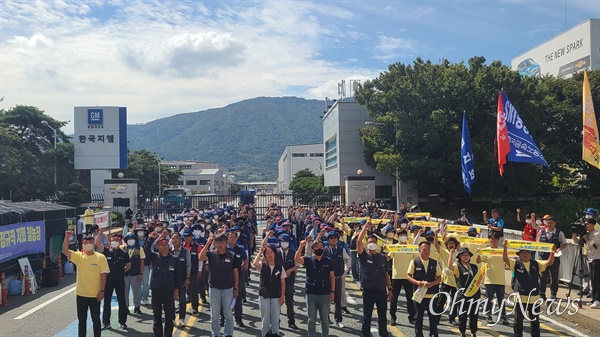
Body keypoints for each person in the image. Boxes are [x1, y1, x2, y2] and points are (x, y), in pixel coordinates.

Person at [503, 240, 555, 337]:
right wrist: (505, 248)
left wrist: (552, 252)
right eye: (523, 253)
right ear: (519, 255)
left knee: (534, 320)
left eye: (527, 252)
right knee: (518, 320)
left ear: (530, 254)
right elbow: (505, 259)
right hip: (520, 296)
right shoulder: (516, 263)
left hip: (534, 297)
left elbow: (549, 262)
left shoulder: (536, 263)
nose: (525, 254)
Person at [62, 230, 110, 337]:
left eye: (90, 242)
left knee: (96, 320)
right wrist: (66, 238)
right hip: (81, 295)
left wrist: (102, 291)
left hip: (95, 295)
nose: (88, 244)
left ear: (93, 244)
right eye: (85, 242)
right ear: (82, 244)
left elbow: (103, 275)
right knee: (82, 321)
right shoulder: (79, 256)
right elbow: (65, 250)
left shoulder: (100, 257)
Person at [200, 230, 240, 337]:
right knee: (214, 314)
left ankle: (228, 333)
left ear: (226, 243)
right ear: (215, 244)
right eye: (218, 242)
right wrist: (208, 243)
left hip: (228, 289)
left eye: (222, 242)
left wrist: (236, 288)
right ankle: (215, 333)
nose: (220, 245)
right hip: (214, 288)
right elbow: (201, 257)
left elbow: (236, 273)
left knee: (228, 314)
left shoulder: (232, 255)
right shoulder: (211, 254)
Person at [357, 221, 391, 337]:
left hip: (381, 290)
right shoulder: (364, 255)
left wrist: (389, 288)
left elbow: (386, 274)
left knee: (382, 315)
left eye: (374, 242)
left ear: (377, 244)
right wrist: (365, 228)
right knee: (368, 315)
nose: (372, 244)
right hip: (368, 290)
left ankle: (383, 333)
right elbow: (358, 241)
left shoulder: (382, 257)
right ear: (367, 244)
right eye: (370, 242)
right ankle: (366, 334)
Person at [295, 238, 335, 337]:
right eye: (317, 248)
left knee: (325, 320)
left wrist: (332, 291)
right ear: (313, 249)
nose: (320, 249)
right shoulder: (308, 259)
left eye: (321, 247)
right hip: (311, 293)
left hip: (324, 293)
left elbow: (332, 277)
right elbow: (297, 259)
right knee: (311, 319)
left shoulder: (328, 261)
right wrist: (301, 247)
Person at [145, 230, 180, 337]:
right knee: (157, 317)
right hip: (156, 291)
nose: (164, 247)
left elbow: (177, 276)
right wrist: (151, 238)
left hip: (169, 291)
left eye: (166, 245)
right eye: (162, 245)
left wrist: (177, 289)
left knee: (169, 318)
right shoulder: (154, 257)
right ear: (158, 247)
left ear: (169, 247)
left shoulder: (174, 259)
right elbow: (146, 250)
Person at [95, 230, 131, 330]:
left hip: (119, 280)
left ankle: (122, 322)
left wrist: (122, 272)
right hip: (108, 280)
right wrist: (100, 232)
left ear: (120, 242)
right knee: (107, 302)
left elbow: (128, 265)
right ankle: (106, 322)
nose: (115, 241)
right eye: (113, 240)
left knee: (122, 301)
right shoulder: (106, 251)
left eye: (117, 240)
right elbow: (97, 244)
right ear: (110, 241)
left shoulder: (124, 253)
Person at [406, 241, 442, 337]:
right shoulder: (414, 262)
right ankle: (419, 335)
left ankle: (433, 334)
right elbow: (408, 276)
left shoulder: (434, 262)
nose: (426, 251)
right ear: (419, 250)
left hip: (432, 295)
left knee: (433, 317)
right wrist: (417, 283)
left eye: (428, 249)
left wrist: (433, 284)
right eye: (424, 249)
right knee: (418, 317)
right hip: (419, 295)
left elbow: (439, 277)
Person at [447, 247, 482, 337]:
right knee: (462, 315)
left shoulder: (474, 266)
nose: (465, 257)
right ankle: (462, 332)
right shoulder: (457, 266)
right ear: (459, 257)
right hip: (463, 295)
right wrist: (451, 254)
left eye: (467, 255)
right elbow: (450, 267)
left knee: (474, 315)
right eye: (463, 255)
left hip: (475, 295)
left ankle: (473, 332)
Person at [254, 244, 287, 337]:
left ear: (275, 254)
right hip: (264, 295)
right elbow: (255, 263)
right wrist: (260, 252)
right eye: (267, 253)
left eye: (271, 252)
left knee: (275, 317)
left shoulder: (280, 267)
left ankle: (275, 334)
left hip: (276, 295)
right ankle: (265, 334)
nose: (270, 255)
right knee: (265, 316)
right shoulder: (263, 266)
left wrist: (282, 297)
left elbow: (283, 283)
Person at [477, 232, 509, 325]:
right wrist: (479, 253)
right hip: (489, 279)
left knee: (501, 299)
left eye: (495, 239)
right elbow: (478, 261)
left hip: (500, 279)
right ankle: (488, 315)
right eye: (491, 238)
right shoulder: (485, 250)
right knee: (489, 299)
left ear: (498, 240)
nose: (493, 240)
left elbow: (507, 261)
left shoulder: (502, 251)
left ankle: (503, 316)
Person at [388, 229, 416, 325]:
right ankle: (393, 317)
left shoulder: (411, 247)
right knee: (394, 298)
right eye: (401, 235)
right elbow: (388, 258)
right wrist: (385, 250)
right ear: (398, 236)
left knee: (410, 298)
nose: (403, 236)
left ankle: (412, 317)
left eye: (404, 235)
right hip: (396, 276)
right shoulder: (394, 247)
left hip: (409, 276)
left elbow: (416, 260)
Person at [535, 215, 566, 300]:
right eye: (548, 223)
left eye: (551, 223)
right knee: (542, 276)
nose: (549, 225)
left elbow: (564, 243)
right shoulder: (542, 232)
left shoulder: (559, 233)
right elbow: (537, 241)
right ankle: (542, 294)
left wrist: (559, 248)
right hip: (543, 257)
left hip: (554, 258)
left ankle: (553, 294)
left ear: (554, 223)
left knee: (554, 276)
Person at [324, 230, 350, 328]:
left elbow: (347, 259)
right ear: (328, 240)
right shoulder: (325, 250)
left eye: (335, 238)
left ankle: (338, 320)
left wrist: (345, 270)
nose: (334, 239)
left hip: (338, 277)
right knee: (326, 299)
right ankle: (326, 318)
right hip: (327, 278)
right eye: (331, 238)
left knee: (338, 299)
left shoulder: (341, 249)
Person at [572, 218, 600, 308]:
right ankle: (594, 299)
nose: (586, 226)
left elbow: (594, 245)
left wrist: (586, 238)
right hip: (590, 259)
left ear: (593, 224)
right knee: (592, 280)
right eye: (585, 224)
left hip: (597, 258)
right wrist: (574, 233)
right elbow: (577, 242)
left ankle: (597, 300)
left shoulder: (597, 234)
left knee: (596, 280)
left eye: (587, 224)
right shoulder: (587, 234)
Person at [278, 233, 300, 329]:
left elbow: (297, 265)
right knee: (277, 301)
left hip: (289, 280)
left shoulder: (293, 252)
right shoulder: (276, 252)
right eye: (283, 241)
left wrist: (291, 270)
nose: (284, 243)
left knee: (289, 301)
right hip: (277, 281)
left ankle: (291, 321)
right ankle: (276, 321)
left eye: (286, 242)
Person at [170, 232, 191, 327]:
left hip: (182, 280)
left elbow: (188, 265)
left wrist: (188, 278)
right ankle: (172, 318)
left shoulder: (186, 251)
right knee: (170, 301)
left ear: (180, 240)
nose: (174, 240)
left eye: (176, 238)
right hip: (170, 280)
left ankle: (182, 318)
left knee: (182, 300)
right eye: (173, 238)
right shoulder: (168, 251)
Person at [123, 233, 145, 315]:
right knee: (125, 291)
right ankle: (125, 307)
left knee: (137, 291)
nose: (130, 241)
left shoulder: (139, 249)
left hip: (135, 274)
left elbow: (142, 263)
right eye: (129, 239)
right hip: (125, 274)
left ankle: (137, 307)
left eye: (132, 239)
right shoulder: (123, 248)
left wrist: (141, 273)